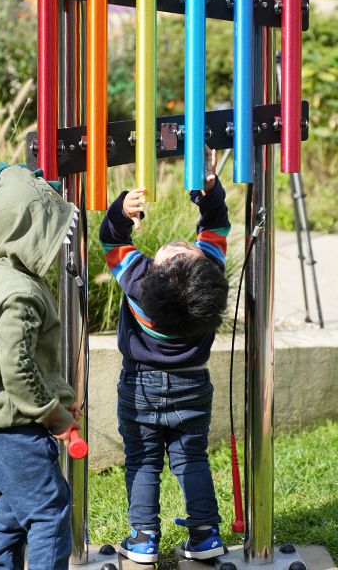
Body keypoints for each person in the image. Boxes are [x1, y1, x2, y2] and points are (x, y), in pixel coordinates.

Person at [99, 149, 230, 563]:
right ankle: (205, 535)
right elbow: (216, 225)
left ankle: (142, 539)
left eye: (175, 254)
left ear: (154, 273)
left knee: (142, 460)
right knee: (191, 458)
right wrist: (207, 193)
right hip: (193, 386)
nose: (178, 244)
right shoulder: (207, 286)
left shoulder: (139, 284)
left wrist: (122, 210)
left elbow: (111, 239)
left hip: (141, 387)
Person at [0, 163, 81, 570]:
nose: (60, 242)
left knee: (10, 518)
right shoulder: (21, 295)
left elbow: (24, 361)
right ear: (32, 232)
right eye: (52, 232)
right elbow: (18, 368)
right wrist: (57, 417)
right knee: (50, 512)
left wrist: (61, 397)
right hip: (15, 429)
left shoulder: (4, 272)